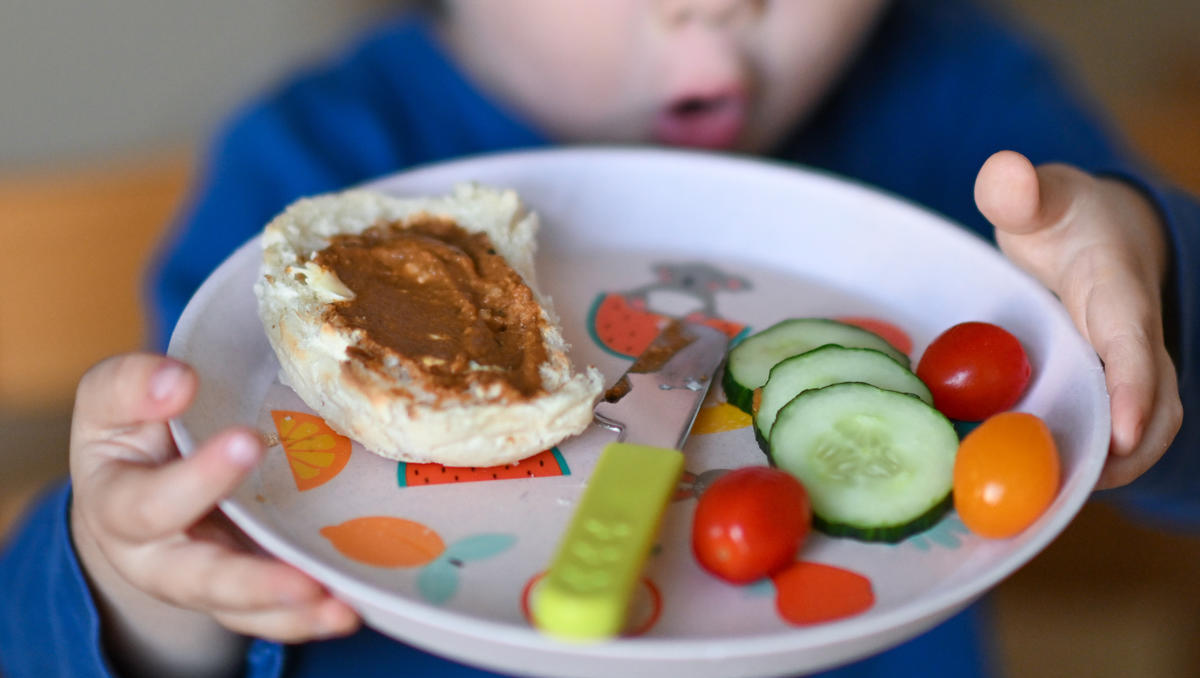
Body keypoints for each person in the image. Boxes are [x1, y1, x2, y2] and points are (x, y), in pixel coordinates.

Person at [2, 1, 1196, 676]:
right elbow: (96, 607)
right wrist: (137, 595)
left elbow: (1146, 418)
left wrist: (1148, 285)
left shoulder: (969, 106)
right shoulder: (306, 171)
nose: (718, 4)